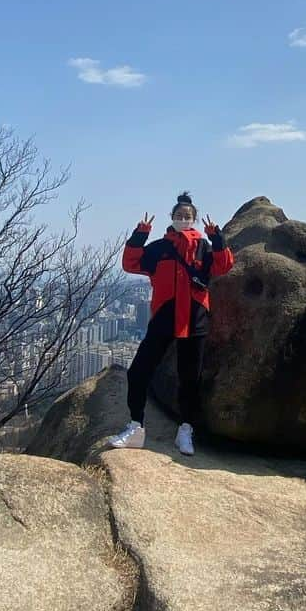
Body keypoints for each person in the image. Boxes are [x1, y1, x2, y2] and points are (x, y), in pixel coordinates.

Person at [108, 191, 235, 455]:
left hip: (195, 320)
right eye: (179, 216)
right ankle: (136, 427)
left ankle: (185, 430)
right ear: (172, 217)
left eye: (188, 216)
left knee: (190, 379)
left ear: (195, 219)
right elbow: (130, 263)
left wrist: (217, 237)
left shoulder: (204, 248)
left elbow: (224, 266)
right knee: (138, 371)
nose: (183, 219)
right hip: (164, 319)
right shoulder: (159, 247)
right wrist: (141, 233)